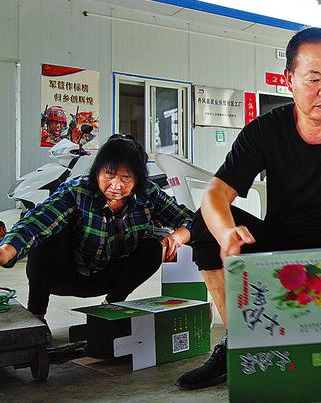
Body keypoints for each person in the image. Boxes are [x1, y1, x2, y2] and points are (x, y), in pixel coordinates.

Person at [176, 27, 321, 390]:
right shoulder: (264, 131)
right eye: (314, 79)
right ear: (289, 79)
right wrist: (226, 233)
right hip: (284, 244)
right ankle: (241, 341)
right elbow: (216, 193)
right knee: (205, 223)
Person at [0, 135, 193, 322]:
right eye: (109, 175)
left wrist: (179, 235)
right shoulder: (76, 191)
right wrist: (6, 250)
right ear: (97, 171)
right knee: (47, 237)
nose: (116, 185)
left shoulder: (149, 193)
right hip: (67, 274)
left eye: (126, 178)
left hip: (110, 277)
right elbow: (38, 220)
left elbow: (190, 219)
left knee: (152, 247)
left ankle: (111, 306)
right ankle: (36, 315)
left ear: (138, 180)